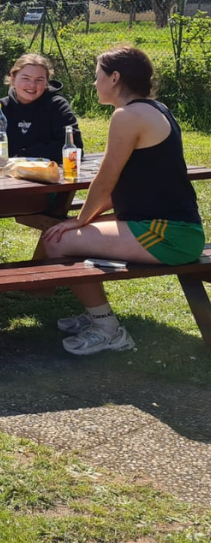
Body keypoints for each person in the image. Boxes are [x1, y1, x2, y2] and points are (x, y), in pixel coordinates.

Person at [43, 47, 204, 355]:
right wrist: (84, 219)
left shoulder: (128, 115)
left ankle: (108, 330)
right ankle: (96, 315)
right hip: (172, 227)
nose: (94, 83)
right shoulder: (154, 108)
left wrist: (80, 219)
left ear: (114, 78)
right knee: (61, 232)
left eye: (97, 76)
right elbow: (122, 185)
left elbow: (106, 181)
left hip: (170, 235)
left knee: (57, 241)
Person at [0, 53, 81, 258]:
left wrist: (20, 156)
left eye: (40, 80)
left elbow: (74, 147)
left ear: (47, 83)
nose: (32, 85)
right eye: (26, 78)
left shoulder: (58, 107)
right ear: (12, 78)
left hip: (39, 194)